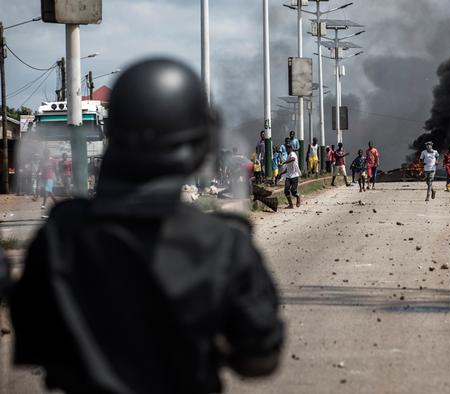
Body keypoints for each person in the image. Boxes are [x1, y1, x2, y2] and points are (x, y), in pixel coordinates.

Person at [10, 59, 284, 394]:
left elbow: (36, 344)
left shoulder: (60, 236)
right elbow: (259, 360)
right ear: (200, 144)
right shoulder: (224, 243)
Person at [283, 143, 302, 208]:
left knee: (293, 191)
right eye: (286, 148)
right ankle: (290, 204)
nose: (287, 149)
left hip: (294, 175)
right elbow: (287, 169)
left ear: (290, 148)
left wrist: (285, 162)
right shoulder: (288, 156)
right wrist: (280, 174)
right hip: (288, 176)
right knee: (286, 190)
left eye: (288, 148)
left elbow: (293, 159)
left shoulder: (292, 154)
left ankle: (298, 197)